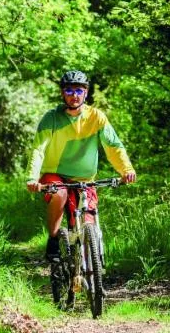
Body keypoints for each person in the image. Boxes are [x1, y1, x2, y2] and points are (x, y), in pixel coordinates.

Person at [26, 70, 136, 261]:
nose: (74, 95)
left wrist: (126, 170)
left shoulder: (96, 117)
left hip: (85, 179)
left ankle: (88, 269)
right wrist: (32, 178)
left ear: (86, 93)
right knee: (59, 193)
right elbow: (38, 150)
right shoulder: (51, 118)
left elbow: (114, 147)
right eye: (69, 90)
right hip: (55, 174)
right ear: (62, 93)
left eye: (79, 90)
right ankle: (53, 240)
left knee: (88, 221)